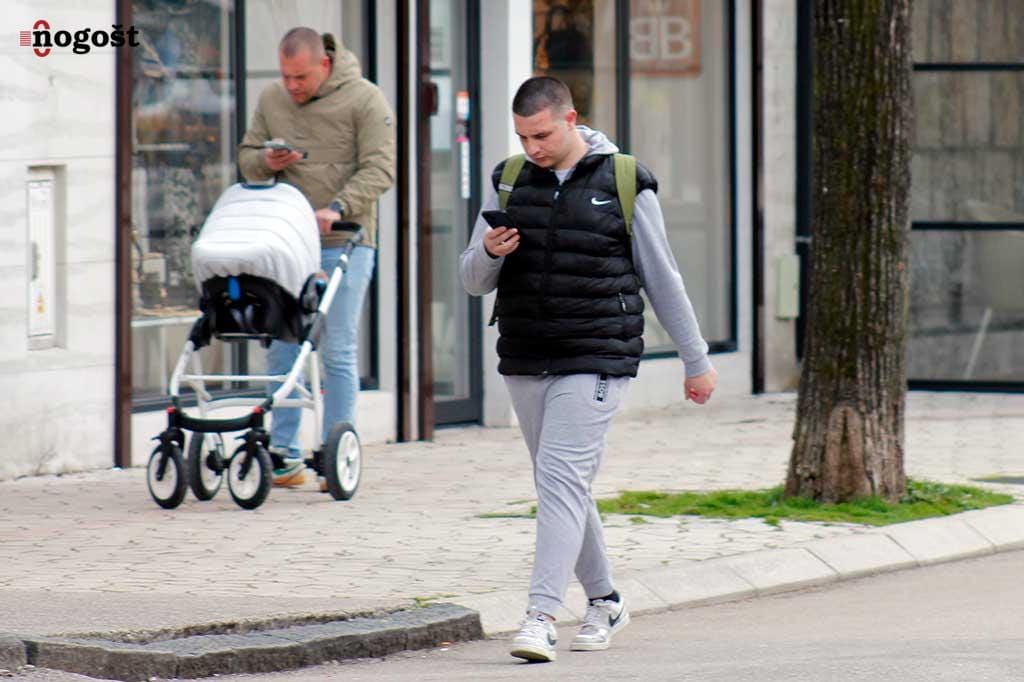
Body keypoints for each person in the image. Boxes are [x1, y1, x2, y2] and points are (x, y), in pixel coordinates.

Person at [459, 76, 717, 662]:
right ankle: (605, 600)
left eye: (543, 135)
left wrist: (696, 359)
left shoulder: (623, 181)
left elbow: (663, 277)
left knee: (560, 479)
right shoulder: (509, 179)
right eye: (524, 137)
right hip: (526, 354)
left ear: (571, 119)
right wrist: (491, 252)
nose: (533, 148)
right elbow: (472, 280)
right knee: (562, 485)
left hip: (597, 352)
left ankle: (539, 617)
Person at [238, 27, 395, 487]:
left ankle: (334, 453)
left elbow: (381, 168)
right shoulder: (272, 99)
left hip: (344, 240)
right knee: (282, 345)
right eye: (286, 76)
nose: (292, 86)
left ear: (325, 64)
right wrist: (266, 162)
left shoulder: (365, 99)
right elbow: (246, 157)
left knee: (337, 348)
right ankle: (283, 455)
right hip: (288, 244)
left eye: (301, 77)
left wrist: (339, 208)